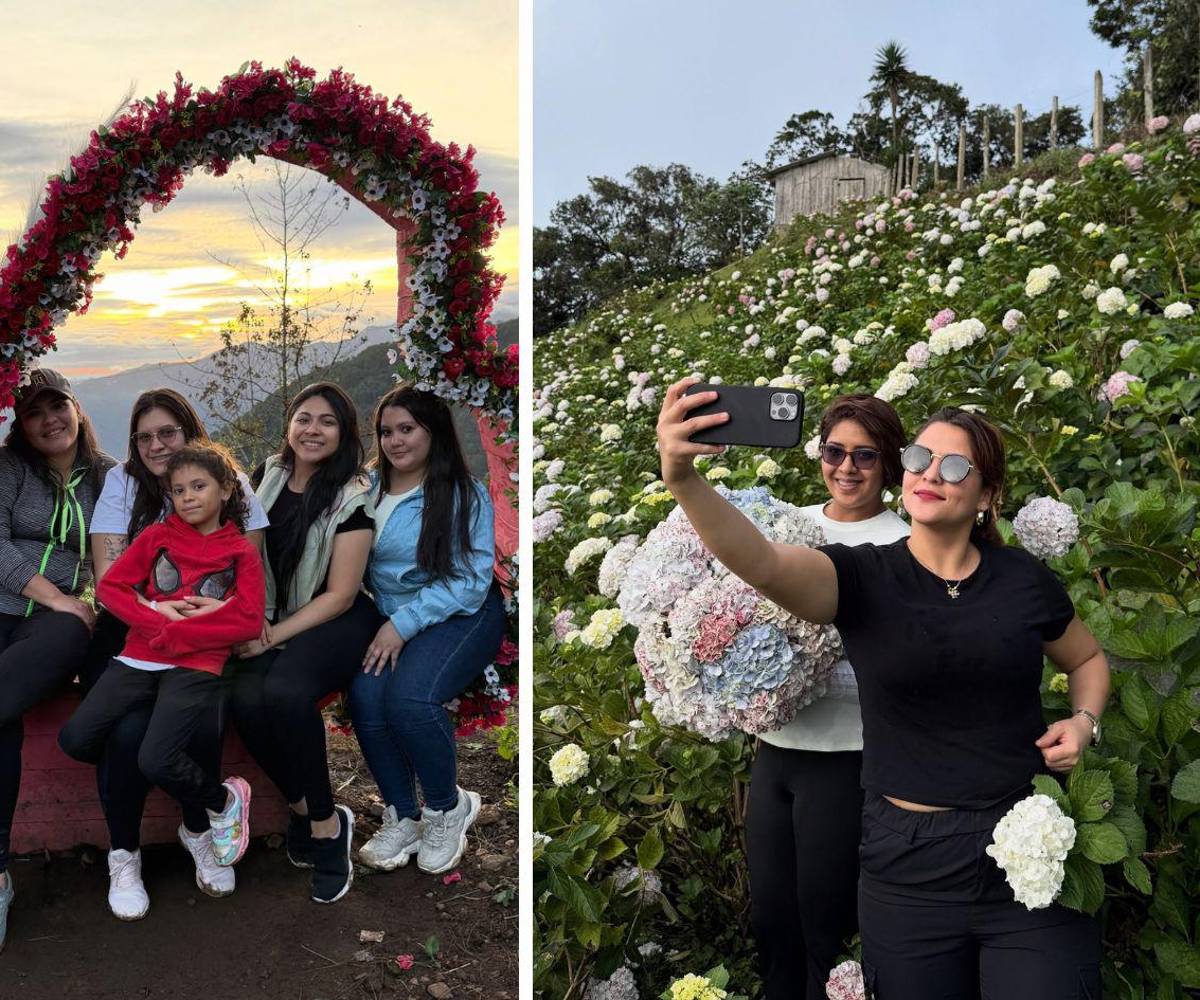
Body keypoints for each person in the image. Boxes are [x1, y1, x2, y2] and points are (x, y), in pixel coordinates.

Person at [657, 378, 1110, 999]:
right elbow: (761, 562)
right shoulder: (863, 576)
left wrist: (1085, 720)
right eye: (920, 458)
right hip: (908, 866)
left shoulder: (1023, 579)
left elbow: (1086, 657)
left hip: (1024, 846)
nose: (930, 473)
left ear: (988, 494)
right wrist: (684, 480)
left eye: (955, 465)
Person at [747, 395, 909, 1000]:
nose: (847, 467)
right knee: (770, 916)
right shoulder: (787, 524)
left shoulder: (904, 540)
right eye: (835, 451)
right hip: (776, 748)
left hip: (849, 757)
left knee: (826, 920)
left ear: (889, 463)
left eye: (865, 455)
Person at [85, 388, 269, 919]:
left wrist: (201, 627)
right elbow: (110, 576)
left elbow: (242, 581)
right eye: (144, 436)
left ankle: (199, 829)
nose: (156, 444)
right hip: (134, 631)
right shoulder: (123, 483)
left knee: (202, 718)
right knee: (123, 733)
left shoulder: (229, 483)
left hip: (203, 636)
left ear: (191, 434)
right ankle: (125, 853)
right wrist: (157, 622)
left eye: (168, 432)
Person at [229, 382, 377, 905]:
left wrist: (273, 637)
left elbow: (339, 594)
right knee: (242, 697)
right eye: (304, 419)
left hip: (336, 617)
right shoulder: (265, 478)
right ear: (289, 425)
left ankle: (325, 827)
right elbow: (243, 556)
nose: (313, 430)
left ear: (344, 434)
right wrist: (250, 623)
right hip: (270, 614)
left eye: (327, 422)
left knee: (286, 691)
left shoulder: (353, 495)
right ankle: (302, 807)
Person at [351, 386, 505, 877]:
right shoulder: (367, 489)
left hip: (461, 613)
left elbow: (468, 579)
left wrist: (402, 624)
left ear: (432, 432)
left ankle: (446, 807)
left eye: (407, 429)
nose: (395, 441)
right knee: (367, 700)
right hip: (392, 617)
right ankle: (404, 814)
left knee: (411, 700)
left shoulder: (460, 493)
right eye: (386, 431)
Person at [0, 369, 115, 949]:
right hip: (24, 604)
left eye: (58, 405)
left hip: (55, 626)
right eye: (34, 411)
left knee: (72, 635)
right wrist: (60, 596)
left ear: (77, 407)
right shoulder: (8, 470)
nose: (50, 420)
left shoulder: (108, 477)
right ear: (20, 424)